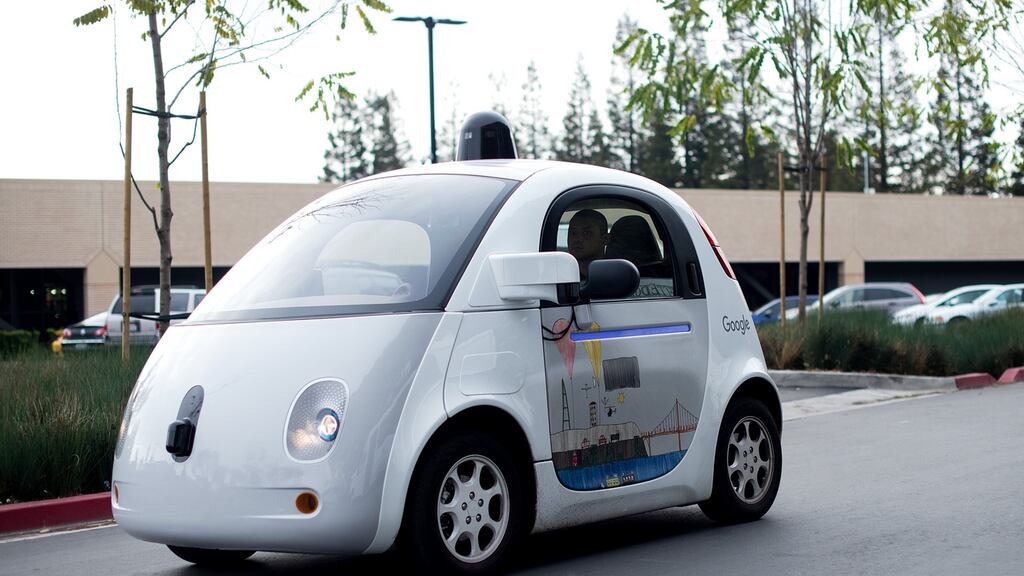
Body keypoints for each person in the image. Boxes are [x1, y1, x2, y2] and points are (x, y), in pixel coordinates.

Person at [567, 209, 608, 281]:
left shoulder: (614, 275)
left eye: (586, 233)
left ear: (605, 239)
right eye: (573, 233)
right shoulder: (561, 275)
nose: (577, 239)